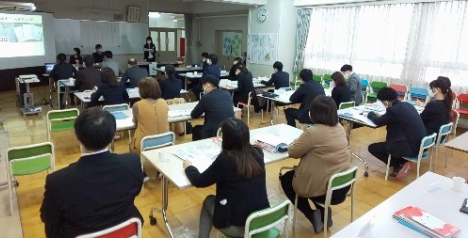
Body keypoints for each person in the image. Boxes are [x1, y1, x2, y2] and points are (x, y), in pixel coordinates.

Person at [40, 107, 144, 238]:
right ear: (114, 135)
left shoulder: (57, 181)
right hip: (126, 230)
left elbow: (48, 217)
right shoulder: (132, 162)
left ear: (76, 137)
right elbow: (136, 191)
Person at [183, 118, 270, 238]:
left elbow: (199, 181)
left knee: (208, 200)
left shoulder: (225, 159)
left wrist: (188, 167)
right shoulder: (258, 152)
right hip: (263, 220)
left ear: (227, 139)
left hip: (239, 227)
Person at [280, 96, 351, 234]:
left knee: (287, 179)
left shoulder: (313, 132)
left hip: (324, 188)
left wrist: (297, 142)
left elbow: (293, 152)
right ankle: (323, 211)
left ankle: (312, 213)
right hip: (341, 186)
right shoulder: (340, 127)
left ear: (313, 113)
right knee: (314, 176)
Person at [367, 87, 426, 180]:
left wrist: (370, 114)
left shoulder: (393, 110)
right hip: (420, 144)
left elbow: (378, 121)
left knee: (372, 148)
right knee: (389, 142)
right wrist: (383, 117)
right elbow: (392, 118)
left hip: (409, 147)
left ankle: (400, 164)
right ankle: (400, 163)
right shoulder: (407, 105)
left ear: (386, 102)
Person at [130, 77, 169, 155]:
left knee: (131, 144)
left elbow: (136, 123)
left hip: (145, 144)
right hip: (166, 141)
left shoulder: (137, 105)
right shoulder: (164, 102)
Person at [191, 75, 234, 141]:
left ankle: (200, 148)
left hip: (214, 131)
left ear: (207, 85)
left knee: (196, 129)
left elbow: (194, 115)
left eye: (203, 86)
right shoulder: (227, 94)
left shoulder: (206, 97)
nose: (203, 88)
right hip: (229, 128)